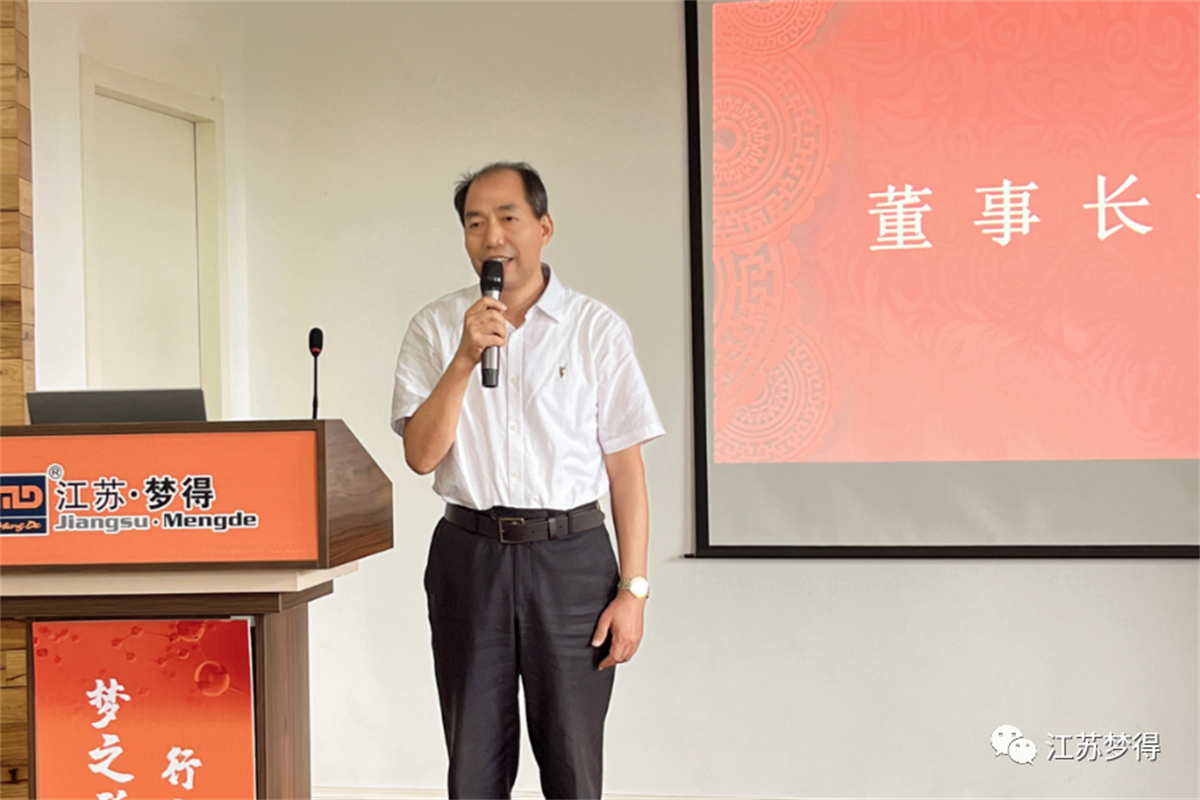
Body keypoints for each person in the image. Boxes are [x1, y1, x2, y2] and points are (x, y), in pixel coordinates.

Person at [390, 162, 663, 799]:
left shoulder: (597, 330)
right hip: (469, 556)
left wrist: (634, 590)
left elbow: (626, 471)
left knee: (572, 765)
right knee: (473, 765)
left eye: (508, 218)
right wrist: (464, 359)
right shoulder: (436, 328)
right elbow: (421, 457)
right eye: (475, 223)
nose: (492, 237)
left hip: (572, 562)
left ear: (544, 228)